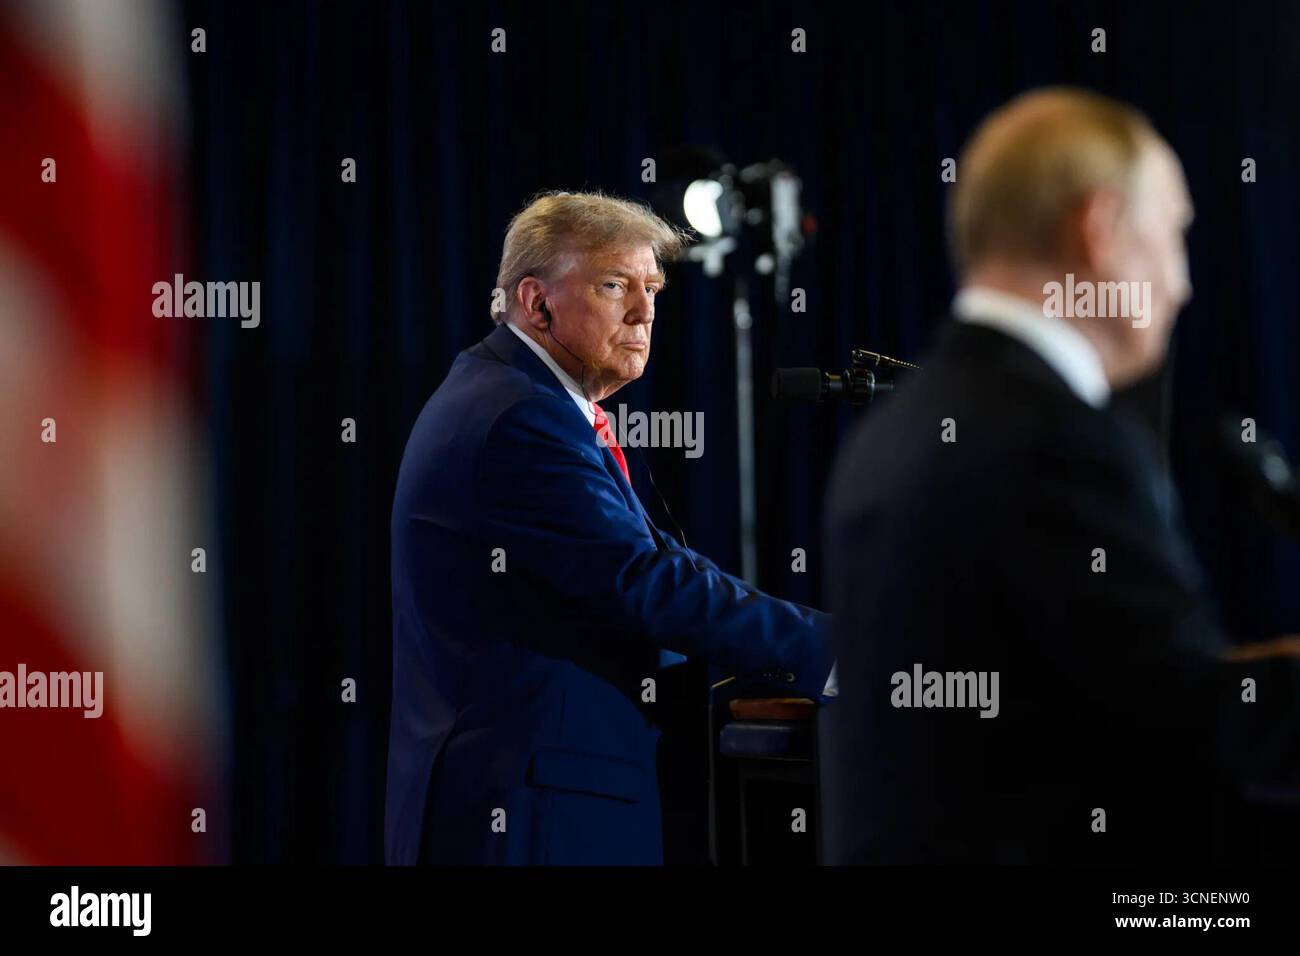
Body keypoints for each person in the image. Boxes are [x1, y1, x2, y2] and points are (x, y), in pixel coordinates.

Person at [822, 88, 1300, 864]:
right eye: (1174, 236)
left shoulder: (900, 425)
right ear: (1102, 231)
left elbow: (1081, 682)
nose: (1183, 284)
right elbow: (1186, 721)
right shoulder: (1055, 438)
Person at [386, 191, 834, 865]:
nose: (645, 311)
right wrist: (834, 652)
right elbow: (643, 580)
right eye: (614, 285)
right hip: (533, 818)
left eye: (651, 287)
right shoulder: (517, 419)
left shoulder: (516, 399)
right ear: (537, 303)